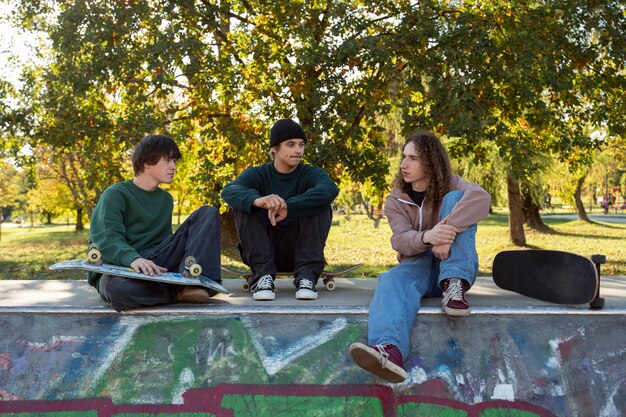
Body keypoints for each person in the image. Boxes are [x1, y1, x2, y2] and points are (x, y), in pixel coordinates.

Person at [349, 130, 491, 383]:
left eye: (413, 158)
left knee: (457, 199)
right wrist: (429, 237)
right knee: (390, 279)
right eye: (404, 157)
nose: (404, 164)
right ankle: (389, 351)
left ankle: (454, 284)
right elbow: (400, 239)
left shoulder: (452, 183)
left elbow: (481, 199)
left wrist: (447, 234)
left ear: (431, 162)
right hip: (420, 266)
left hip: (454, 261)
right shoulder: (396, 199)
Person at [88, 134, 222, 312]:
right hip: (122, 267)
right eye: (167, 160)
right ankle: (179, 292)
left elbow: (165, 243)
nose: (173, 167)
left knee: (208, 212)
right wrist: (133, 258)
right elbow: (106, 239)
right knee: (117, 289)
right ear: (147, 162)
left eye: (174, 161)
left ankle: (195, 281)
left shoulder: (166, 199)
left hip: (156, 262)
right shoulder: (115, 194)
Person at [221, 118, 339, 301]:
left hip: (300, 250)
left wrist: (288, 206)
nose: (298, 150)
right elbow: (229, 191)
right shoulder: (258, 174)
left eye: (301, 145)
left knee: (320, 201)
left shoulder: (311, 174)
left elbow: (330, 189)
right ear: (274, 148)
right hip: (262, 250)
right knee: (246, 200)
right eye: (290, 145)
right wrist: (258, 201)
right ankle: (262, 278)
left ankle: (307, 277)